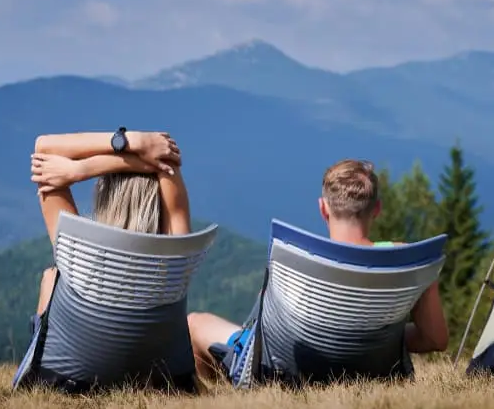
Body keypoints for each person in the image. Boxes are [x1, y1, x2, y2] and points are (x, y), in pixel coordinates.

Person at [186, 158, 450, 383]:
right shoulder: (409, 259)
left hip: (287, 376)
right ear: (377, 209)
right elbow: (435, 339)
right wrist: (374, 339)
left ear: (323, 208)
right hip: (376, 372)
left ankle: (220, 398)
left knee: (195, 323)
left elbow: (265, 329)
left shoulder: (292, 260)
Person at [28, 128, 191, 320]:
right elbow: (167, 162)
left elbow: (44, 149)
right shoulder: (175, 259)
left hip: (77, 340)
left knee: (51, 277)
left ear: (103, 194)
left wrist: (83, 168)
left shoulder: (76, 256)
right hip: (158, 341)